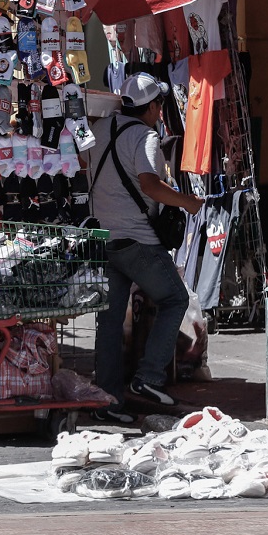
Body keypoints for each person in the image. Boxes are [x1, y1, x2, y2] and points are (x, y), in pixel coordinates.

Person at [88, 72, 204, 423]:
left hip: (104, 239)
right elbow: (151, 185)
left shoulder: (99, 130)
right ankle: (148, 378)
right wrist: (187, 202)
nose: (159, 111)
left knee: (108, 322)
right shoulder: (146, 136)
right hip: (137, 240)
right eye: (158, 104)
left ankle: (107, 402)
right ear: (152, 106)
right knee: (175, 299)